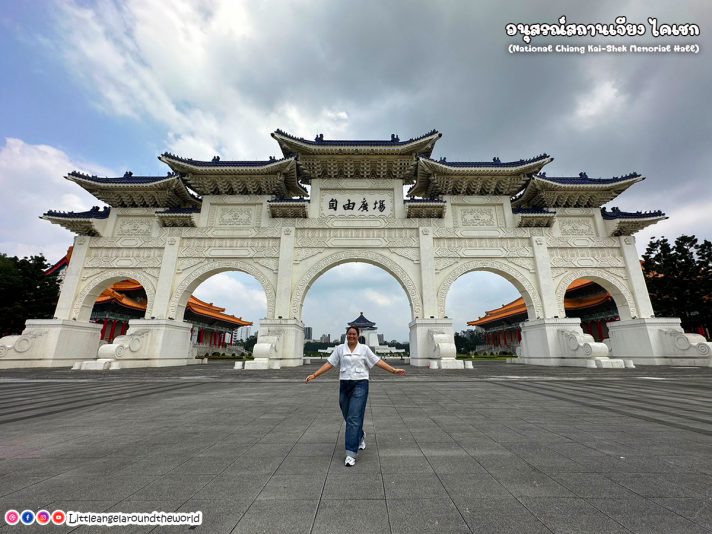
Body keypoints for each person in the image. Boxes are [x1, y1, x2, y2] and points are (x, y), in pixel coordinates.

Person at [305, 325, 406, 466]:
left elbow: (377, 361)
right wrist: (315, 375)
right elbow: (330, 363)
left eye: (354, 334)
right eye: (349, 334)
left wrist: (393, 370)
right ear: (346, 335)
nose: (351, 336)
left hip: (360, 384)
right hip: (345, 385)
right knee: (347, 413)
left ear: (358, 335)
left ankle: (350, 454)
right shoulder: (340, 349)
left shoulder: (364, 349)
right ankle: (360, 435)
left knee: (353, 417)